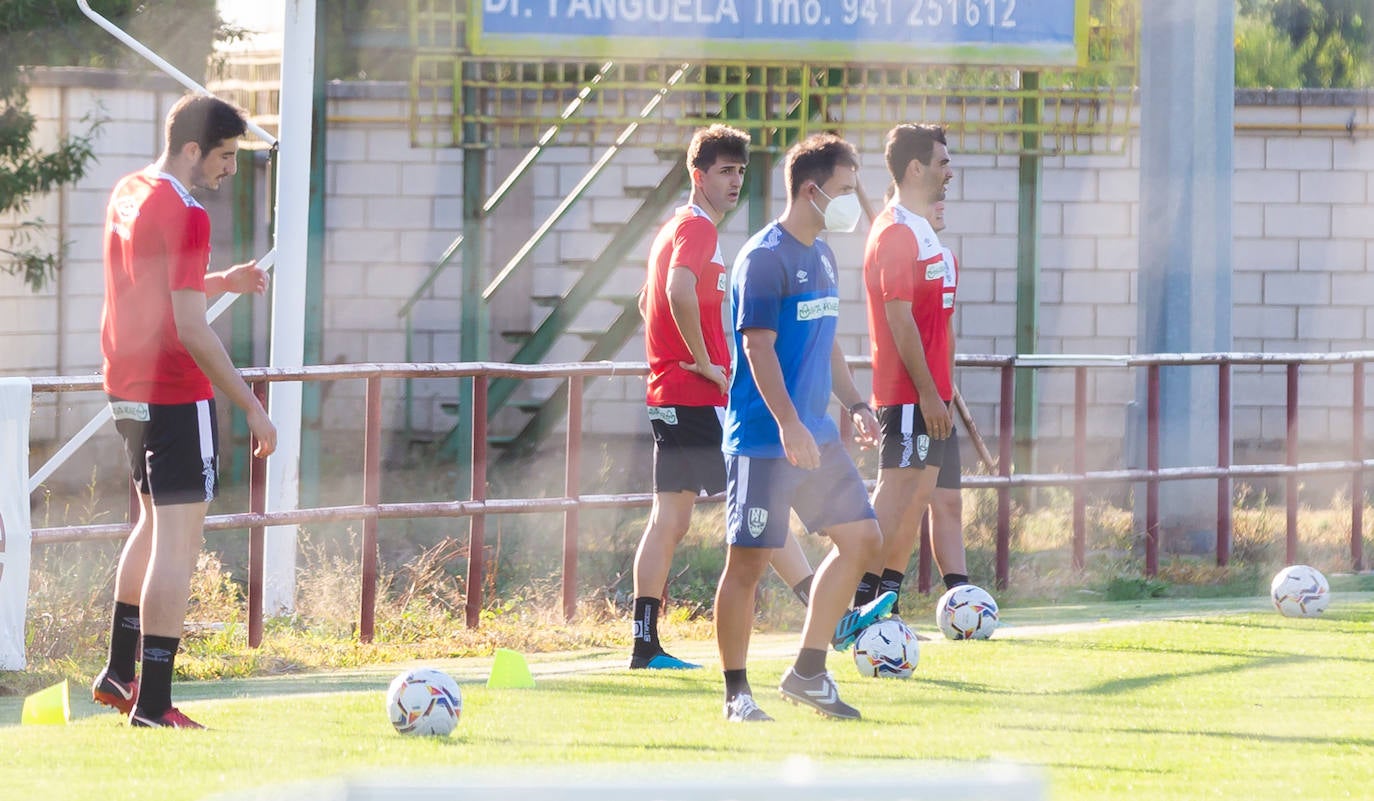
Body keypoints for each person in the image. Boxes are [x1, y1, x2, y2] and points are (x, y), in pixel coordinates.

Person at [91, 94, 277, 729]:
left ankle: (119, 673)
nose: (230, 169)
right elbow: (192, 330)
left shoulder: (130, 189)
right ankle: (153, 705)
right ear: (194, 149)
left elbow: (155, 280)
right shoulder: (189, 212)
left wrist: (223, 281)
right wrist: (252, 405)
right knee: (180, 542)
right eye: (225, 157)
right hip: (174, 392)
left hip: (125, 383)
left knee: (148, 523)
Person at [715, 132, 894, 722]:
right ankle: (737, 694)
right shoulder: (765, 257)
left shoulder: (821, 252)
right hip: (768, 440)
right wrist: (788, 423)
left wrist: (856, 403)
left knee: (864, 541)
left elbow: (827, 337)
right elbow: (757, 348)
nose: (854, 200)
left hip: (816, 434)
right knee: (747, 565)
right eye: (846, 189)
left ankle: (809, 673)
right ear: (812, 190)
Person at [633, 124, 814, 670]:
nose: (734, 181)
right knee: (763, 496)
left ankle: (644, 643)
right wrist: (709, 362)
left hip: (671, 394)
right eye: (724, 171)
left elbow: (647, 302)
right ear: (698, 175)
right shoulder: (699, 230)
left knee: (671, 519)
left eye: (739, 171)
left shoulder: (672, 229)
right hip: (699, 396)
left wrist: (674, 355)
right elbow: (673, 292)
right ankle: (828, 610)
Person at [853, 124, 962, 618]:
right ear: (915, 169)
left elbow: (934, 323)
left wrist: (943, 388)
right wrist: (926, 391)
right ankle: (854, 599)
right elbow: (898, 319)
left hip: (929, 395)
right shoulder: (896, 231)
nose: (948, 172)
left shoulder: (921, 231)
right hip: (906, 394)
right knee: (893, 499)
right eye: (941, 162)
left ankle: (883, 605)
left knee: (913, 499)